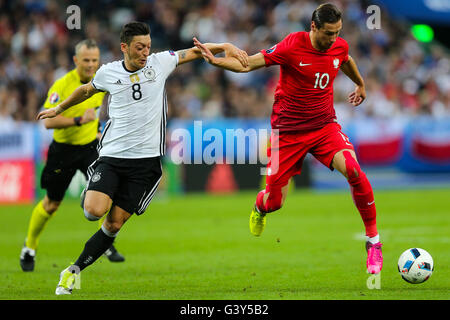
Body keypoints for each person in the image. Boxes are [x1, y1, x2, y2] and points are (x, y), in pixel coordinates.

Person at [36, 21, 248, 295]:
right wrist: (59, 108)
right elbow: (87, 89)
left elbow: (193, 53)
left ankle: (72, 271)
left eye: (148, 46)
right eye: (139, 47)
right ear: (124, 47)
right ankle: (91, 194)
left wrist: (225, 46)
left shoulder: (160, 63)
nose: (145, 52)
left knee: (113, 224)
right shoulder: (108, 72)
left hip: (145, 164)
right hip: (112, 156)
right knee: (93, 212)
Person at [194, 3, 383, 274]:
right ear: (313, 27)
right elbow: (249, 64)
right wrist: (218, 61)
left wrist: (361, 84)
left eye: (337, 33)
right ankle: (260, 206)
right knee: (275, 202)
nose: (333, 39)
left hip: (323, 127)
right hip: (287, 134)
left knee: (354, 169)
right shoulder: (292, 45)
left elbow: (346, 59)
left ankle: (373, 242)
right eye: (329, 33)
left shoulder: (338, 46)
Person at [20, 39, 125, 272]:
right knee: (51, 204)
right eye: (86, 60)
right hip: (63, 152)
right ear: (76, 60)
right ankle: (29, 246)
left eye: (94, 60)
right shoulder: (63, 85)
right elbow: (48, 122)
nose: (90, 65)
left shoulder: (101, 79)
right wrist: (79, 120)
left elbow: (96, 114)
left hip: (90, 148)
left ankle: (106, 243)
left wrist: (97, 131)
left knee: (107, 194)